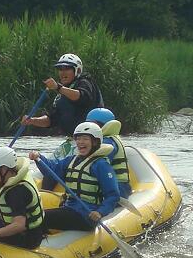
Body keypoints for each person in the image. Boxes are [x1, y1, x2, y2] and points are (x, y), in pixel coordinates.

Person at [21, 53, 104, 188]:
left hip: (89, 141)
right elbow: (51, 120)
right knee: (49, 168)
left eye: (67, 68)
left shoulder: (85, 82)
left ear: (77, 70)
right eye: (60, 69)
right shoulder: (60, 96)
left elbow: (82, 97)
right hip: (72, 141)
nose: (62, 72)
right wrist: (32, 121)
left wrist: (58, 87)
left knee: (55, 171)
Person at [29, 122, 119, 232]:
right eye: (78, 138)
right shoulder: (72, 160)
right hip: (70, 208)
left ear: (95, 142)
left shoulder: (101, 165)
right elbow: (52, 170)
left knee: (37, 218)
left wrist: (100, 212)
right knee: (35, 215)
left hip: (86, 215)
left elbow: (113, 195)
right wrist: (39, 158)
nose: (80, 142)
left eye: (85, 138)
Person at [86, 107, 132, 198]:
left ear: (102, 125)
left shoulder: (108, 142)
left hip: (119, 187)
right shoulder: (105, 139)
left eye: (92, 125)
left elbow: (97, 166)